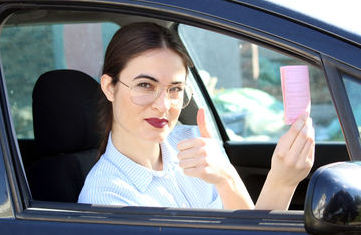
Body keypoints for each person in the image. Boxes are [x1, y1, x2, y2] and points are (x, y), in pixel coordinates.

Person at [78, 22, 315, 210]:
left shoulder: (193, 140)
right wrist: (281, 182)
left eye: (175, 89)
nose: (163, 105)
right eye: (145, 85)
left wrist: (227, 177)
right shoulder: (106, 196)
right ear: (110, 87)